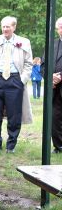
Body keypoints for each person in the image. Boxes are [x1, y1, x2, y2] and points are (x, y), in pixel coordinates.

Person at [0, 16, 33, 154]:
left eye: (8, 27)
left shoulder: (24, 42)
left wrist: (22, 80)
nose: (5, 29)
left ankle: (11, 146)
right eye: (3, 27)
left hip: (15, 80)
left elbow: (28, 64)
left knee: (14, 114)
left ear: (14, 27)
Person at [41, 17, 62, 154]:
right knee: (55, 118)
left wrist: (60, 77)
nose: (61, 30)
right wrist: (50, 77)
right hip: (54, 89)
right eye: (59, 27)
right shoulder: (51, 45)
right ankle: (59, 146)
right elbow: (43, 65)